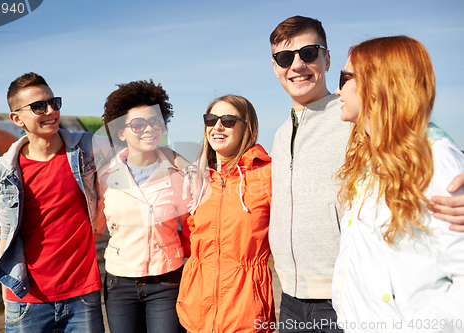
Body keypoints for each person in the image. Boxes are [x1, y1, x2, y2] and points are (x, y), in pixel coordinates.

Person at [268, 16, 464, 333]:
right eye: (284, 57)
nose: (297, 65)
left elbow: (416, 137)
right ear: (275, 66)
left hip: (340, 299)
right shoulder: (279, 135)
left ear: (326, 58)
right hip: (295, 298)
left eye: (308, 53)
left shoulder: (354, 119)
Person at [332, 35, 464, 332]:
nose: (338, 88)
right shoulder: (371, 160)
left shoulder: (435, 162)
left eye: (345, 77)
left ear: (379, 83)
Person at [0, 72, 104, 332]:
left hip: (82, 296)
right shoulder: (4, 170)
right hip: (27, 298)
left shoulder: (85, 149)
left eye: (55, 103)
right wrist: (5, 291)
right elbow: (7, 231)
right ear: (17, 118)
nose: (51, 111)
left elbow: (138, 147)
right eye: (39, 106)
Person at [94, 80, 190, 333]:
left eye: (155, 122)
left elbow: (193, 224)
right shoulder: (104, 176)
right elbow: (95, 227)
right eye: (137, 124)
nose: (149, 129)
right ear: (121, 132)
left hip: (167, 280)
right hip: (119, 283)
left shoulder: (177, 171)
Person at [176, 95, 275, 332]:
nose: (217, 126)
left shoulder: (268, 174)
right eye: (211, 119)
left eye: (229, 120)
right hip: (197, 314)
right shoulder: (197, 180)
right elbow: (189, 242)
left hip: (247, 314)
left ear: (247, 127)